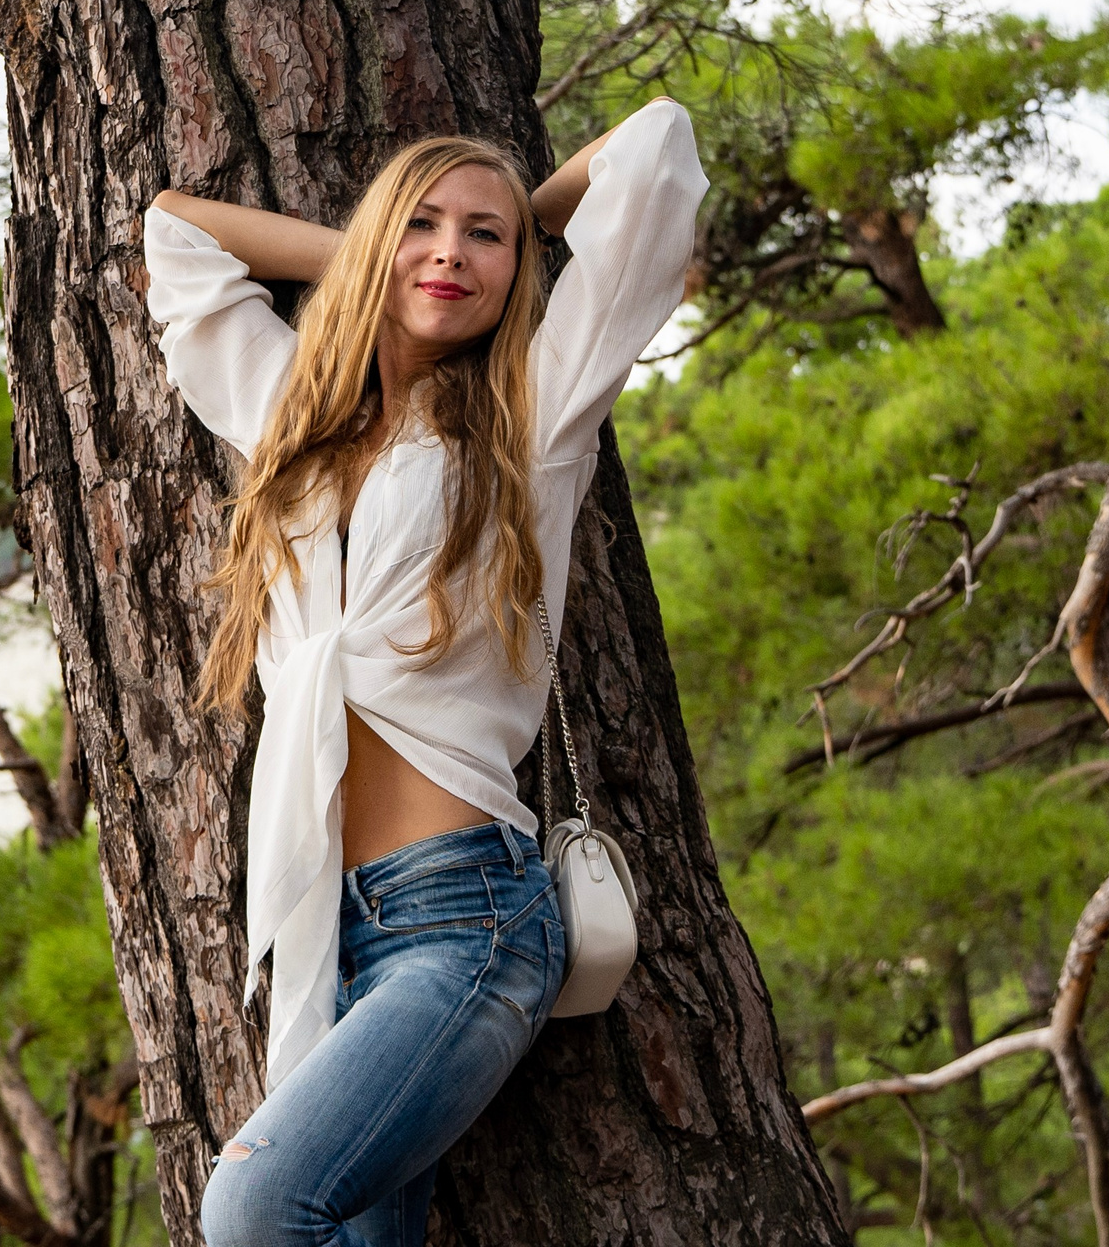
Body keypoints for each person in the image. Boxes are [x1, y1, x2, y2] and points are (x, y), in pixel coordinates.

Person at [142, 97, 706, 1246]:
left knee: (255, 1203)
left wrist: (528, 224)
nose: (453, 250)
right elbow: (174, 231)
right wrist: (375, 250)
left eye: (484, 235)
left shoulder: (530, 415)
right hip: (324, 928)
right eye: (428, 224)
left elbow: (652, 147)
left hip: (467, 917)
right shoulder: (290, 411)